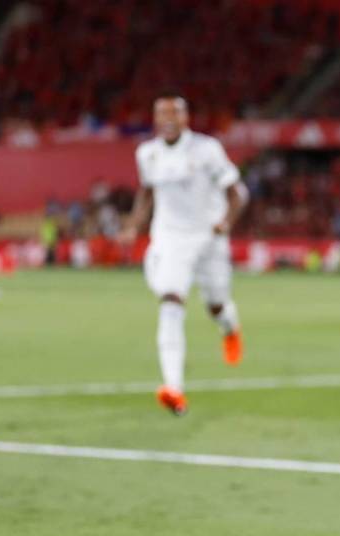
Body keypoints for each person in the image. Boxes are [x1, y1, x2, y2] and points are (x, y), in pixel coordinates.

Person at [120, 94, 249, 416]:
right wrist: (134, 225)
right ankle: (173, 389)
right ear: (154, 118)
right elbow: (147, 193)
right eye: (161, 113)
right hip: (170, 238)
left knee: (216, 304)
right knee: (171, 301)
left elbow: (237, 193)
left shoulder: (207, 150)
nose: (167, 118)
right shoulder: (147, 153)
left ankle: (230, 329)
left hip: (208, 237)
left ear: (185, 117)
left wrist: (225, 223)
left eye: (174, 113)